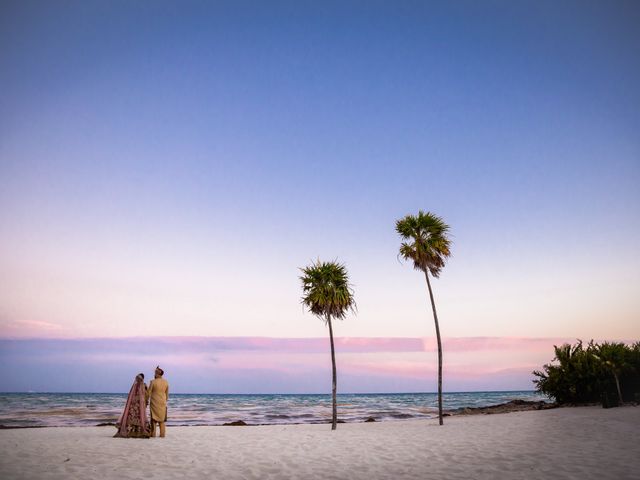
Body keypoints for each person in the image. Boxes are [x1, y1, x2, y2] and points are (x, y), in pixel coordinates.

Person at [114, 373, 150, 438]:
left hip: (137, 404)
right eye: (138, 379)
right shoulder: (139, 386)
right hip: (136, 404)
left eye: (139, 379)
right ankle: (136, 432)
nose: (138, 380)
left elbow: (145, 395)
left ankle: (134, 432)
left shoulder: (141, 386)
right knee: (136, 416)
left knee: (136, 416)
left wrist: (145, 402)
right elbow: (145, 395)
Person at [147, 366, 169, 438]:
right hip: (162, 402)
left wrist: (145, 400)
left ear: (158, 374)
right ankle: (162, 435)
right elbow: (167, 394)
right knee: (161, 420)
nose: (154, 374)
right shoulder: (166, 382)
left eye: (155, 373)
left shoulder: (153, 382)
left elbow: (149, 393)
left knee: (153, 419)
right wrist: (165, 401)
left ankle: (152, 434)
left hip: (154, 402)